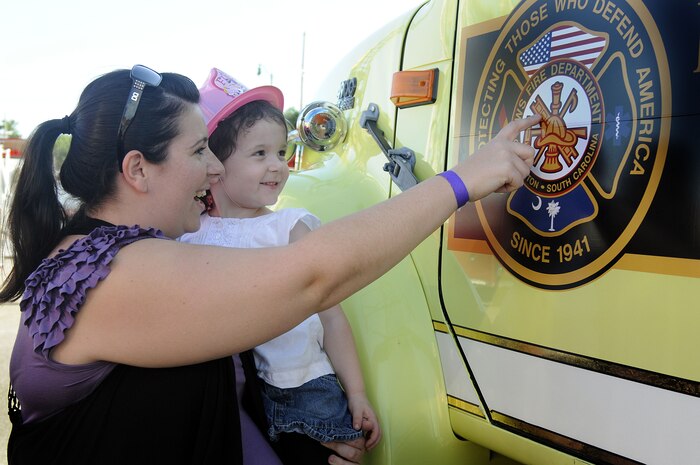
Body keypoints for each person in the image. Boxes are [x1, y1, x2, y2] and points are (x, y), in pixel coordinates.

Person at [0, 64, 540, 465]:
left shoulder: (106, 254)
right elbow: (313, 276)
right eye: (198, 152)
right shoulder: (112, 275)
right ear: (138, 170)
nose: (214, 169)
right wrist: (460, 182)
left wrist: (303, 436)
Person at [179, 68, 381, 465]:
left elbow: (332, 317)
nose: (278, 165)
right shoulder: (190, 232)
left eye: (280, 152)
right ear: (214, 162)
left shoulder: (289, 228)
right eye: (259, 154)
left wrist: (356, 392)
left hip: (304, 390)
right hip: (232, 393)